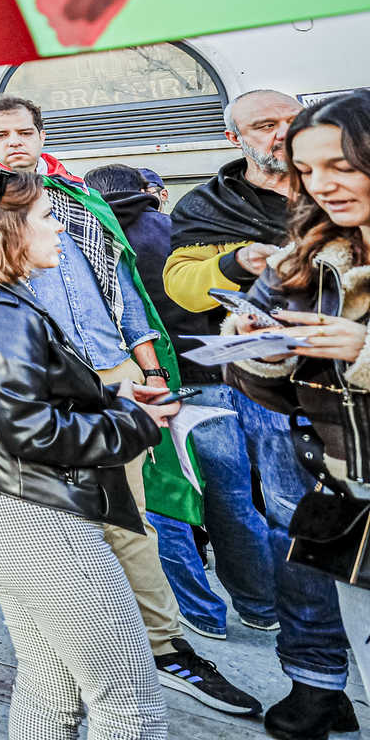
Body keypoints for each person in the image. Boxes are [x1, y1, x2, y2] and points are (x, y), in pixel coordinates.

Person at [0, 94, 256, 714]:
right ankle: (91, 656)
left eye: (24, 131)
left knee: (132, 519)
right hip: (49, 383)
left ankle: (161, 647)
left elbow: (124, 286)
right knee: (61, 526)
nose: (14, 142)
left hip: (118, 373)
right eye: (2, 135)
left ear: (40, 133)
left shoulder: (78, 201)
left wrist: (152, 368)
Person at [0, 167, 180, 740]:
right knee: (131, 703)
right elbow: (33, 431)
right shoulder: (1, 313)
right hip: (38, 519)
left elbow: (23, 403)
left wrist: (113, 396)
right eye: (46, 217)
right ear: (6, 228)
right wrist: (136, 422)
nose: (60, 230)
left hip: (11, 510)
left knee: (50, 688)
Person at [166, 91, 349, 734]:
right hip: (282, 407)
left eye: (292, 125)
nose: (280, 136)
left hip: (352, 405)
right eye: (264, 126)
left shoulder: (331, 214)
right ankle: (318, 682)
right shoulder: (209, 205)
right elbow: (179, 280)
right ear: (233, 136)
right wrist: (240, 278)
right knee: (292, 532)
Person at [225, 90, 370, 738]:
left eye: (340, 164)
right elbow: (265, 389)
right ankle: (319, 687)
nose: (325, 186)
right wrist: (258, 346)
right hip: (338, 486)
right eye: (310, 171)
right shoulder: (305, 256)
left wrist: (364, 351)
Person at [92, 161, 280, 647]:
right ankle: (261, 607)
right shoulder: (184, 229)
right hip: (225, 371)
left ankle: (201, 612)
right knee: (236, 502)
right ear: (144, 192)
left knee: (168, 503)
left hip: (170, 382)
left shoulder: (105, 241)